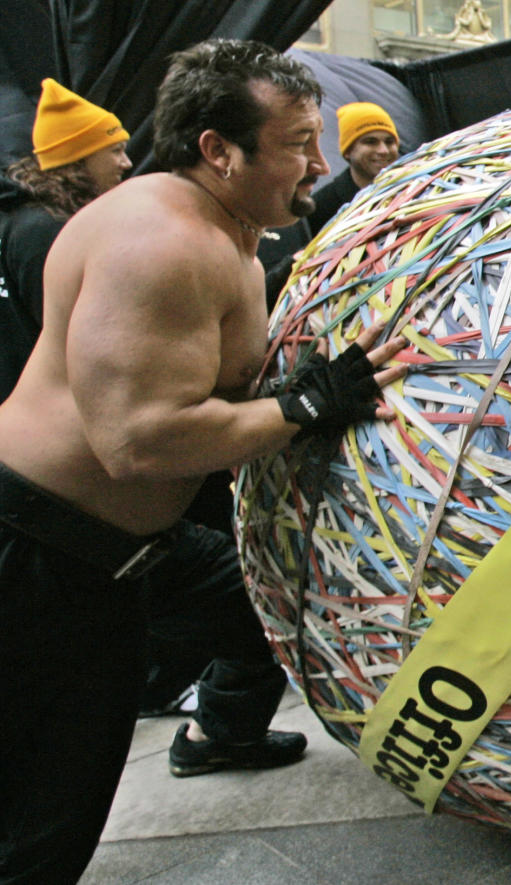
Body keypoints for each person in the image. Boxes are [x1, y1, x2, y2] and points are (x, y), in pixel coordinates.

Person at [0, 39, 406, 883]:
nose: (319, 163)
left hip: (121, 549)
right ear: (218, 150)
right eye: (298, 143)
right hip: (39, 552)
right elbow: (137, 439)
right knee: (43, 815)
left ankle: (222, 731)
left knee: (261, 620)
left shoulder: (216, 227)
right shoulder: (165, 243)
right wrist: (298, 407)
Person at [0, 78, 132, 398]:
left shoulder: (31, 219)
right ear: (79, 159)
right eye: (115, 151)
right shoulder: (43, 231)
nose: (126, 163)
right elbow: (72, 342)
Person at [305, 100, 399, 232]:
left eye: (389, 142)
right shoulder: (321, 208)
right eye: (371, 142)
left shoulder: (412, 192)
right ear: (348, 151)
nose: (383, 150)